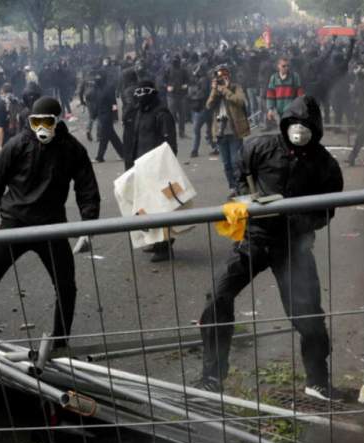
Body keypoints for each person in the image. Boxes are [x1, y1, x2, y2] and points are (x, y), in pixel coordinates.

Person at [197, 96, 345, 402]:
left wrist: (299, 220)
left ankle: (317, 380)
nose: (299, 131)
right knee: (217, 297)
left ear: (314, 130)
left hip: (293, 247)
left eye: (306, 126)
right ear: (285, 124)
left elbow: (327, 209)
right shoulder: (259, 147)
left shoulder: (324, 164)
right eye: (295, 124)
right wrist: (242, 198)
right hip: (254, 239)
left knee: (308, 314)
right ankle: (212, 375)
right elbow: (240, 173)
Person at [0, 97, 100, 344]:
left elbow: (87, 188)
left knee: (66, 287)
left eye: (47, 121)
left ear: (58, 121)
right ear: (29, 121)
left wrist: (88, 226)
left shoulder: (71, 148)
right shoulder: (17, 145)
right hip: (14, 224)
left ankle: (60, 343)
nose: (41, 128)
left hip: (51, 226)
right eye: (35, 121)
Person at [123, 79, 179, 263]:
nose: (139, 97)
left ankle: (164, 246)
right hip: (140, 166)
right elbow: (135, 139)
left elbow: (169, 144)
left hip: (157, 169)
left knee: (161, 208)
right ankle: (155, 241)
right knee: (145, 208)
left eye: (142, 93)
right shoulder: (139, 112)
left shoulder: (162, 114)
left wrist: (163, 167)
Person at [207, 64, 250, 195]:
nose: (223, 77)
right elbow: (208, 105)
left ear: (229, 75)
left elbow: (241, 101)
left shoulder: (236, 87)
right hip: (220, 133)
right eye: (220, 75)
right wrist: (215, 90)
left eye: (225, 74)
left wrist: (225, 90)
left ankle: (240, 187)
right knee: (226, 164)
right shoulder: (215, 90)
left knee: (235, 162)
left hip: (234, 131)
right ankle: (233, 187)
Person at [90, 73, 124, 162]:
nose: (97, 80)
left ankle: (100, 157)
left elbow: (113, 103)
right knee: (112, 137)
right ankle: (124, 154)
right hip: (101, 115)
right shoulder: (96, 89)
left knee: (104, 137)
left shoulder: (108, 89)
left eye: (98, 78)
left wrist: (115, 115)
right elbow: (96, 104)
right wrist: (93, 115)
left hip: (107, 116)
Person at [188, 61, 216, 158]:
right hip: (208, 108)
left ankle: (194, 150)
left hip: (201, 108)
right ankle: (214, 147)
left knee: (197, 131)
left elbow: (202, 94)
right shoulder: (206, 79)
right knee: (209, 131)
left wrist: (193, 93)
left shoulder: (203, 80)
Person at [266, 57, 304, 124]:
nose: (286, 68)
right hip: (280, 109)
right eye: (283, 66)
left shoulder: (294, 76)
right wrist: (270, 109)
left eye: (287, 66)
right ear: (278, 66)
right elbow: (270, 94)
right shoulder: (274, 78)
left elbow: (299, 92)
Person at [163, 56, 190, 138]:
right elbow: (163, 80)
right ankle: (170, 132)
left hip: (181, 95)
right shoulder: (168, 69)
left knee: (182, 115)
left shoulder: (183, 70)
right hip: (172, 95)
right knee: (171, 115)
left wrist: (186, 85)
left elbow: (187, 80)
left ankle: (181, 132)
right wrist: (167, 86)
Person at [0, 83, 23, 148]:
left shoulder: (0, 105)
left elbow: (0, 128)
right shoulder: (19, 103)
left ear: (2, 92)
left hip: (7, 141)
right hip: (20, 139)